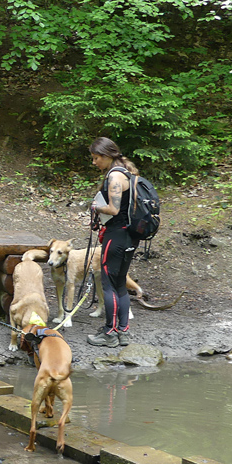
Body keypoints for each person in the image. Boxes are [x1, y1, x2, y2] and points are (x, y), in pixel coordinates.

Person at [86, 137, 138, 347]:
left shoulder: (115, 177)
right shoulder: (128, 173)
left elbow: (113, 210)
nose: (94, 162)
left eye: (96, 158)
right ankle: (123, 331)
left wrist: (95, 207)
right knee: (120, 284)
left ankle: (109, 333)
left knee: (109, 285)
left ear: (107, 156)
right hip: (129, 236)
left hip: (115, 236)